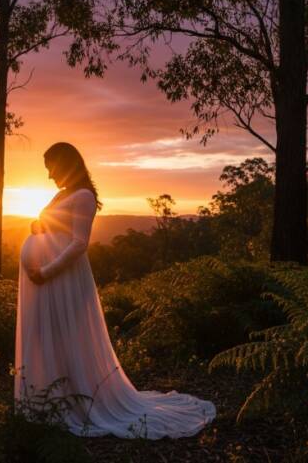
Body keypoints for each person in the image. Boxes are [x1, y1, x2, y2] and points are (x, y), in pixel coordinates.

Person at [14, 142, 216, 439]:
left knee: (66, 334)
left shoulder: (84, 196)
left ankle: (75, 398)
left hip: (61, 279)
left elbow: (79, 243)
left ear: (66, 164)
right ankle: (48, 396)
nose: (48, 176)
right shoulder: (62, 195)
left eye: (51, 168)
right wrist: (37, 227)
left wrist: (46, 271)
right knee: (48, 335)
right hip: (45, 280)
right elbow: (48, 224)